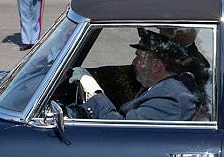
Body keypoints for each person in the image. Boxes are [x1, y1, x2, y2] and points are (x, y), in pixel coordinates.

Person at [71, 29, 199, 121]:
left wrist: (94, 91)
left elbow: (118, 129)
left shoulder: (170, 99)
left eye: (138, 58)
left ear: (157, 66)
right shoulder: (166, 87)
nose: (133, 63)